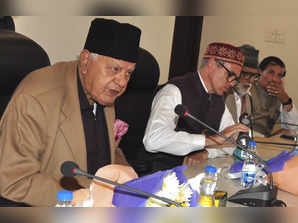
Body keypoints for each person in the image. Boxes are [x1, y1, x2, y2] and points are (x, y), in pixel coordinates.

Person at [0, 18, 141, 206]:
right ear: (85, 61)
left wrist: (128, 176)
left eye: (128, 73)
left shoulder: (103, 90)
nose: (122, 82)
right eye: (115, 69)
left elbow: (107, 151)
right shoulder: (36, 98)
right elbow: (14, 180)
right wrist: (74, 199)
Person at [143, 42, 249, 169]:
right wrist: (209, 141)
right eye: (230, 75)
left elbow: (231, 142)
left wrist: (207, 152)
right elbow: (153, 139)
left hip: (194, 172)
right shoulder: (174, 90)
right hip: (160, 173)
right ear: (212, 64)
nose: (232, 84)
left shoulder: (218, 98)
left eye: (235, 79)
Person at [250, 56, 298, 136]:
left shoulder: (279, 95)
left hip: (265, 143)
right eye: (271, 73)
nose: (275, 79)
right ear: (259, 71)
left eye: (279, 75)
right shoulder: (248, 90)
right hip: (245, 140)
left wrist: (286, 100)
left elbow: (295, 127)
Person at [225, 44, 260, 124]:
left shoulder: (249, 97)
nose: (251, 81)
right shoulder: (223, 96)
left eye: (254, 76)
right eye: (247, 75)